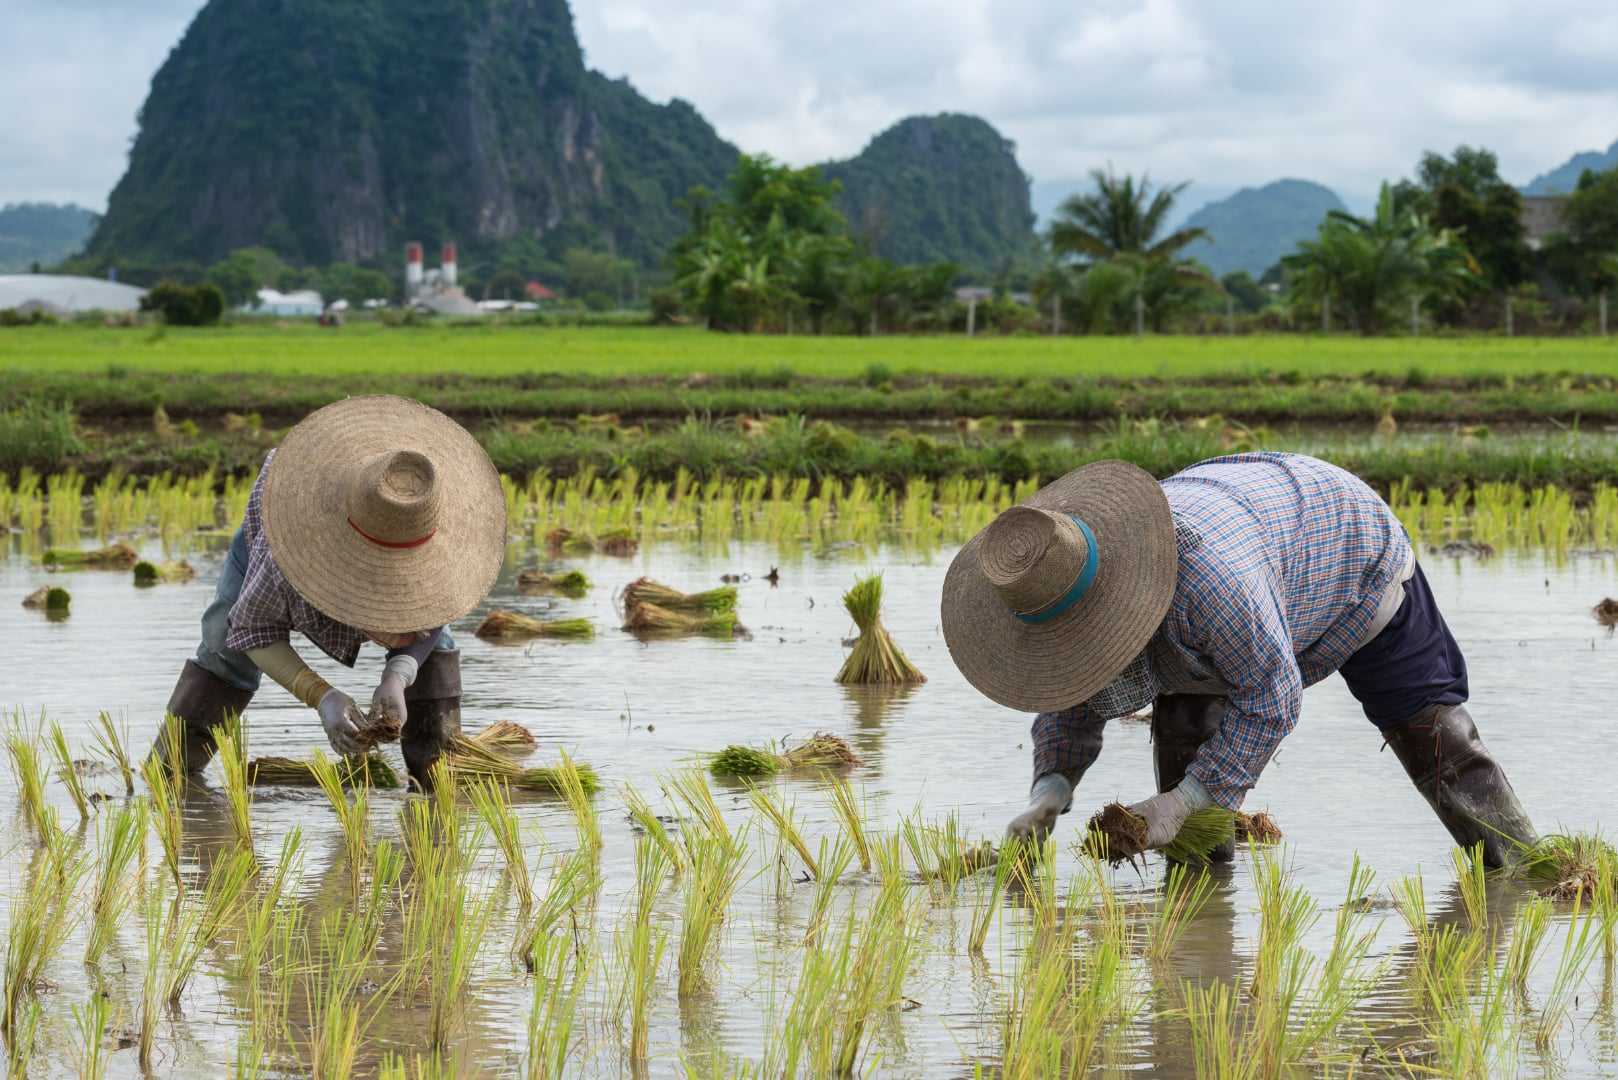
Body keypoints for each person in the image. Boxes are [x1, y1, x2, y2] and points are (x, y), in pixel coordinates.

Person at [940, 452, 1537, 868]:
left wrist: (1181, 804)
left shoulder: (1211, 589)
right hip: (1242, 541)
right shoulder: (1061, 586)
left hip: (1342, 548)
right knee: (1186, 738)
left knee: (1430, 732)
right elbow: (1070, 686)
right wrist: (1049, 790)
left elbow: (1272, 700)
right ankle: (1201, 921)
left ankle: (1528, 872)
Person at [154, 395, 506, 789]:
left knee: (434, 652)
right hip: (289, 516)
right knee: (224, 641)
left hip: (388, 519)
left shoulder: (433, 532)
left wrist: (398, 675)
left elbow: (435, 617)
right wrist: (321, 696)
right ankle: (171, 774)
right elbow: (252, 629)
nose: (406, 618)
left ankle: (437, 774)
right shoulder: (289, 550)